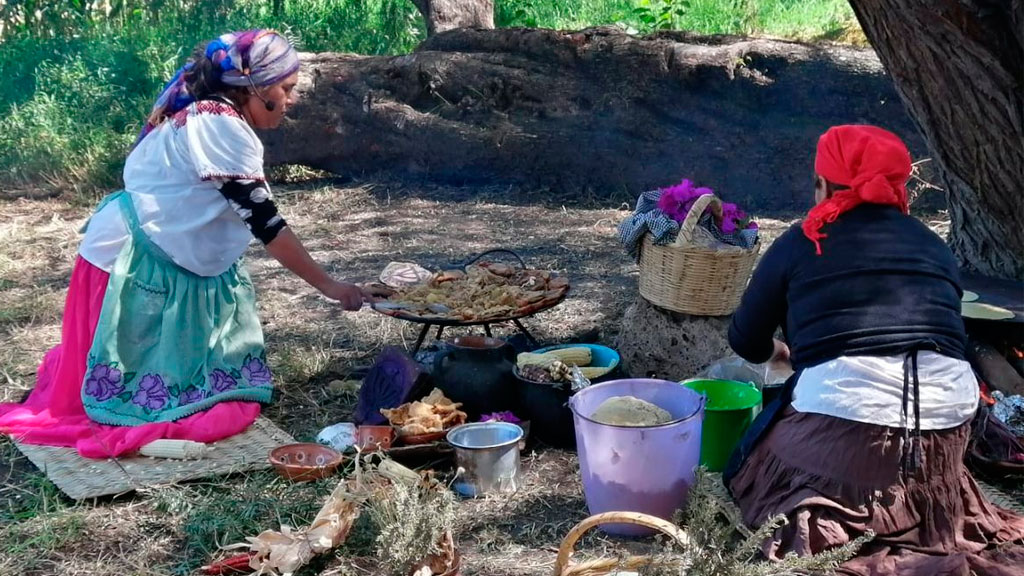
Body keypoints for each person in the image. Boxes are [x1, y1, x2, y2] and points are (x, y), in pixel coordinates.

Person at [0, 29, 383, 458]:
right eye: (286, 88)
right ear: (253, 85)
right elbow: (266, 223)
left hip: (145, 248)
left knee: (201, 392)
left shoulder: (210, 116)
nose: (291, 100)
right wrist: (330, 286)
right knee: (181, 408)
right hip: (133, 260)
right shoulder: (218, 125)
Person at [725, 125, 1024, 575]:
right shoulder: (932, 245)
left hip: (847, 424)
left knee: (755, 458)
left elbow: (745, 341)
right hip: (945, 433)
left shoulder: (803, 239)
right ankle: (917, 507)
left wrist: (779, 352)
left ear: (822, 185)